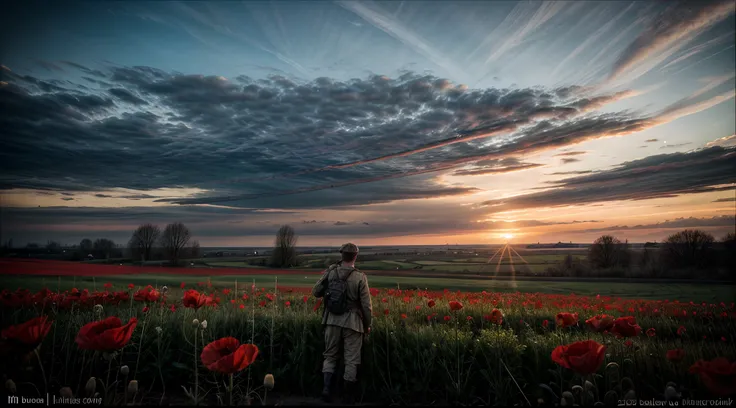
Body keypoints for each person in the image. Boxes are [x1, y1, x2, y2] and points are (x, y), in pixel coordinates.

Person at [312, 243, 372, 404]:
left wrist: (329, 273)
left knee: (330, 355)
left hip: (331, 320)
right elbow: (367, 306)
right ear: (355, 256)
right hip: (353, 323)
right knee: (351, 359)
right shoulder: (360, 277)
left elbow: (316, 291)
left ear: (341, 255)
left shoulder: (331, 272)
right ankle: (347, 396)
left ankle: (326, 390)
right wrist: (367, 325)